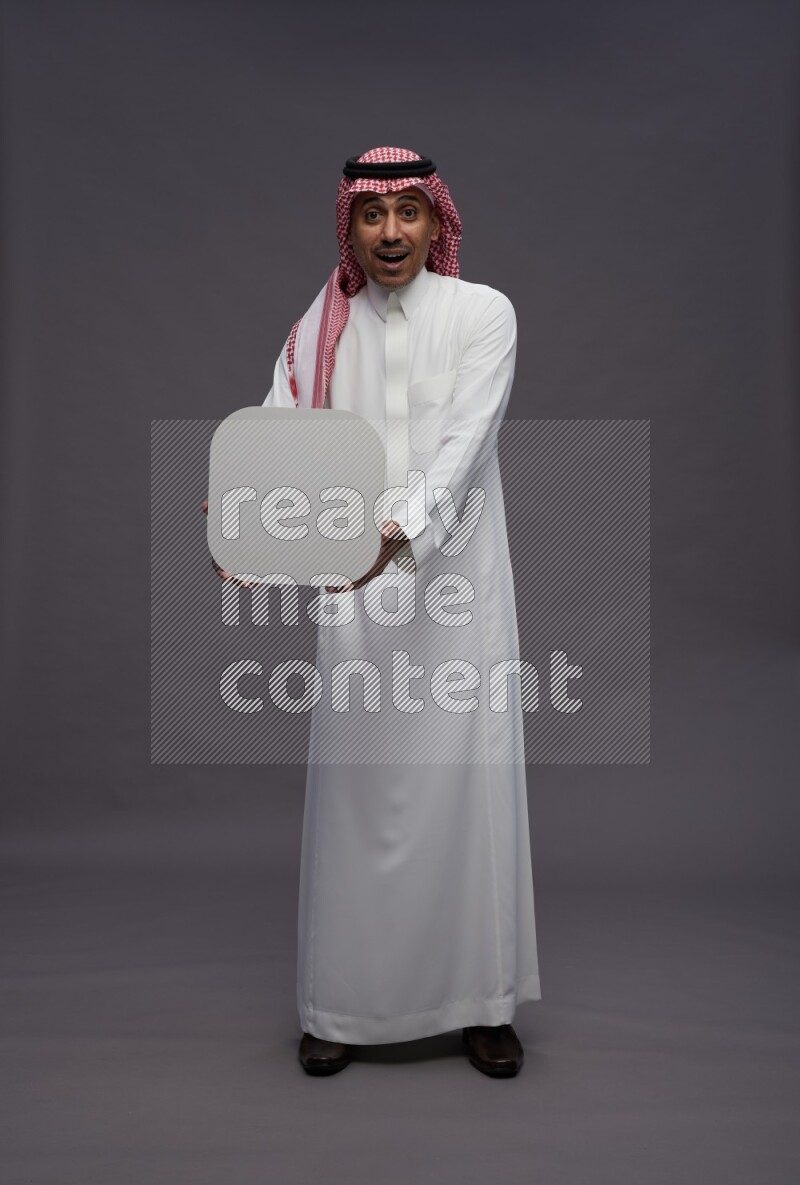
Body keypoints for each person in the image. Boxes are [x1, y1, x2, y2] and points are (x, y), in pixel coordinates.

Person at [220, 147, 541, 1076]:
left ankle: (483, 1001)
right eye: (374, 215)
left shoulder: (482, 314)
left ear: (437, 223)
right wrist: (248, 522)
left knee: (467, 792)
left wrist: (395, 533)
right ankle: (342, 1006)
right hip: (351, 596)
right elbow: (277, 434)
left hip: (455, 589)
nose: (391, 232)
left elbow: (465, 444)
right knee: (357, 796)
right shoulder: (319, 327)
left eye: (410, 213)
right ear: (349, 225)